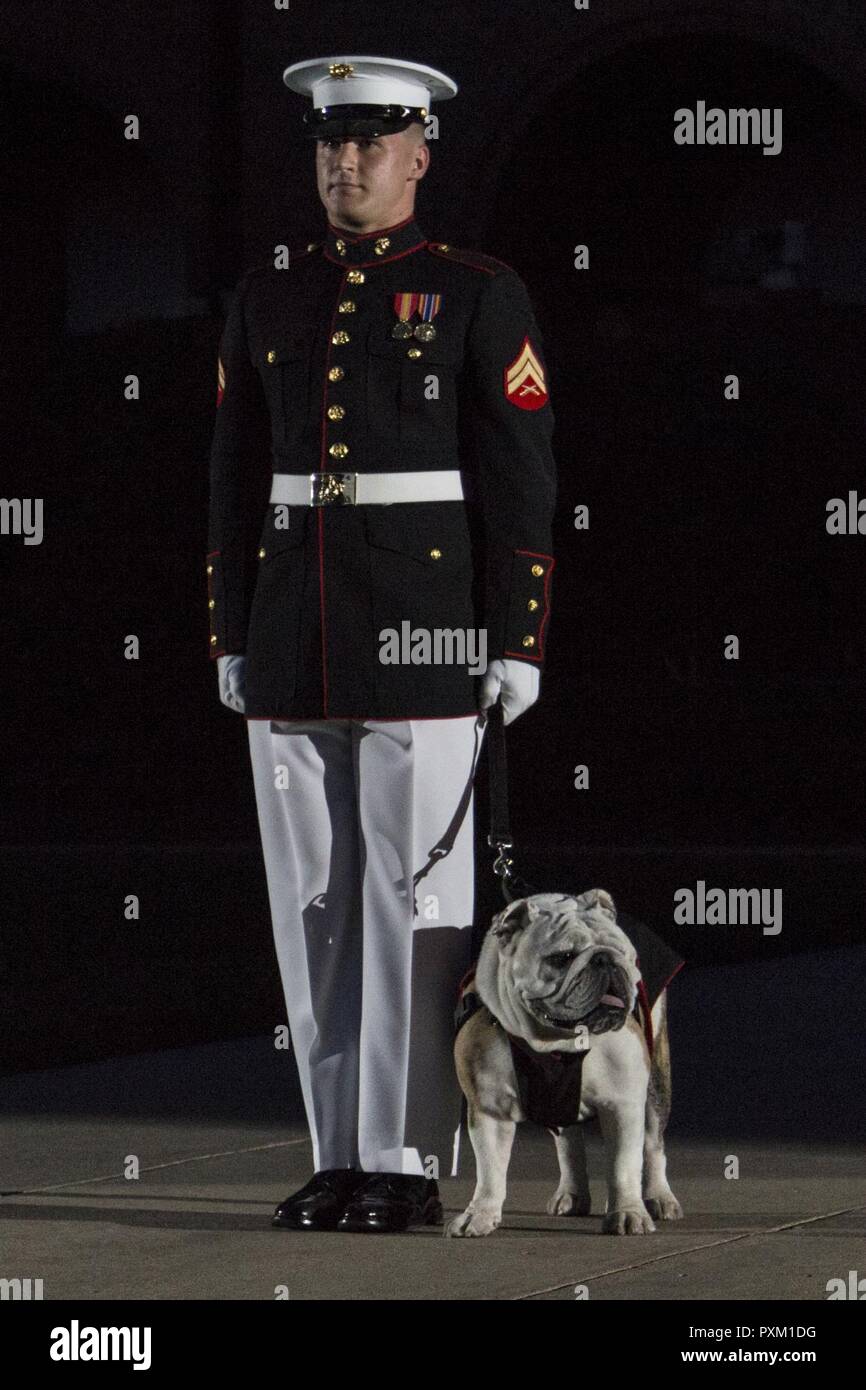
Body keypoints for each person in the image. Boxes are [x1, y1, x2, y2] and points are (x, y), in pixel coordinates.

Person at [206, 56, 557, 1233]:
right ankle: (336, 1152)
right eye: (327, 145)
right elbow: (230, 479)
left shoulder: (474, 290)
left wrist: (514, 639)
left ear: (419, 154)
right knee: (311, 905)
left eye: (368, 144)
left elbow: (519, 480)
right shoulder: (269, 291)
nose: (343, 165)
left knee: (413, 901)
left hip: (422, 630)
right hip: (290, 630)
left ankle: (404, 1157)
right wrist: (227, 629)